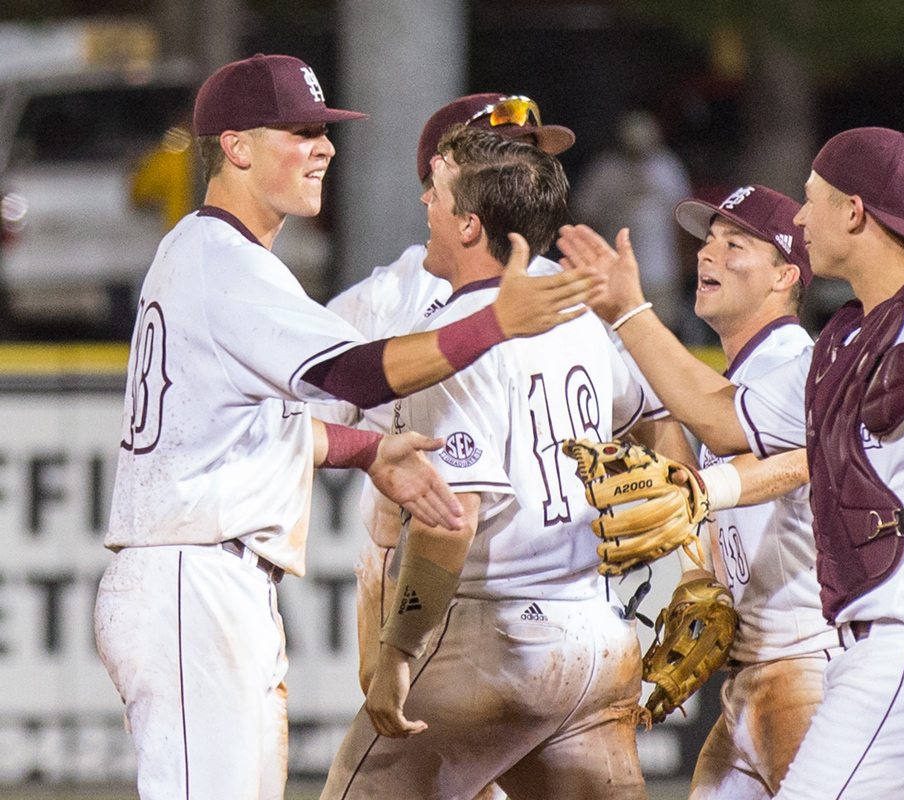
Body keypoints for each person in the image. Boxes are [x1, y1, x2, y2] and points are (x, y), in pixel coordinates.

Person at [93, 54, 594, 800]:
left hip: (206, 576)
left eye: (323, 132)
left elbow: (261, 426)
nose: (325, 147)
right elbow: (359, 375)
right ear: (236, 147)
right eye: (300, 132)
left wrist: (370, 451)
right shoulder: (225, 261)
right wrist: (495, 321)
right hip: (190, 579)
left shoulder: (215, 255)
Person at [559, 126, 904, 798]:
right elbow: (723, 417)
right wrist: (629, 311)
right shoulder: (846, 342)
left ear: (855, 211)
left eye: (813, 199)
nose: (803, 215)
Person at [320, 125, 672, 800]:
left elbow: (450, 519)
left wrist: (399, 648)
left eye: (440, 192)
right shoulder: (580, 317)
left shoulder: (455, 342)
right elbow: (647, 416)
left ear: (471, 225)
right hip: (598, 638)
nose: (426, 201)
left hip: (497, 635)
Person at [313, 92, 580, 698]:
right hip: (415, 567)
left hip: (523, 583)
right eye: (504, 150)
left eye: (530, 153)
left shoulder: (570, 289)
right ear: (442, 171)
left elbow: (649, 413)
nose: (526, 166)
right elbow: (301, 412)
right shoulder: (391, 293)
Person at [668, 185, 841, 799]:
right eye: (708, 240)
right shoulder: (745, 378)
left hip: (806, 667)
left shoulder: (795, 363)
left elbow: (812, 463)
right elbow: (699, 498)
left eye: (734, 243)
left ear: (784, 276)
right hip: (758, 672)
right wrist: (697, 572)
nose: (707, 254)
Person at [574, 110, 691, 336]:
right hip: (613, 269)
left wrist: (684, 263)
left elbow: (681, 220)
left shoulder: (667, 168)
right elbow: (586, 218)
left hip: (660, 270)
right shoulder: (606, 170)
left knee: (661, 330)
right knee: (614, 331)